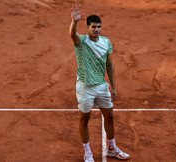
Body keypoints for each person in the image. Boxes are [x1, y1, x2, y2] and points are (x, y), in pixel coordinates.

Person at [69, 4, 130, 162]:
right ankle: (87, 152)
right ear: (87, 27)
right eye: (93, 27)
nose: (96, 30)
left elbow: (109, 65)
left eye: (99, 27)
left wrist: (114, 87)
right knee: (85, 119)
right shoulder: (81, 42)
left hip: (101, 86)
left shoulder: (106, 42)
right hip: (85, 87)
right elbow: (72, 34)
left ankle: (111, 148)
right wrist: (74, 21)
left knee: (109, 117)